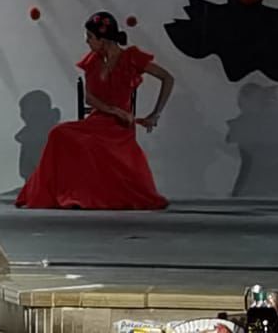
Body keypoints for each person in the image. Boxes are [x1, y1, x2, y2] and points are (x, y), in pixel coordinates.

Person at [16, 11, 174, 209]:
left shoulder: (131, 58)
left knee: (88, 142)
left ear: (103, 39)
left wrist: (154, 114)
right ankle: (67, 192)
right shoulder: (93, 61)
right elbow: (89, 97)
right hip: (99, 120)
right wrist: (113, 110)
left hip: (119, 127)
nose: (87, 42)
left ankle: (90, 194)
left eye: (90, 38)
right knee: (59, 133)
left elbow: (168, 78)